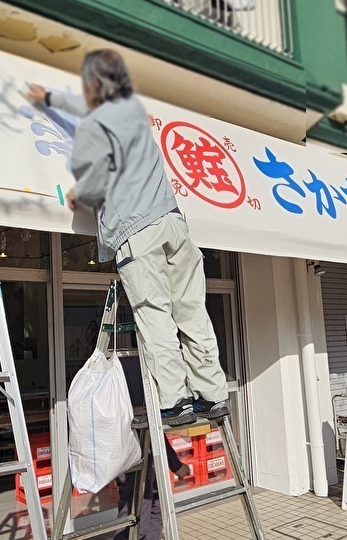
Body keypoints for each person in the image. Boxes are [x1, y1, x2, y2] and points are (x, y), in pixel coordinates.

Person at [25, 49, 230, 428]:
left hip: (139, 233)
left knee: (155, 317)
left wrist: (78, 194)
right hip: (174, 225)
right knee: (191, 313)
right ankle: (213, 395)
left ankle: (175, 402)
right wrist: (51, 99)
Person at [102, 434, 191, 540]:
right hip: (129, 450)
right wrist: (174, 463)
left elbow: (152, 424)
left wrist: (173, 462)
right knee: (134, 516)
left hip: (147, 448)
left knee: (155, 507)